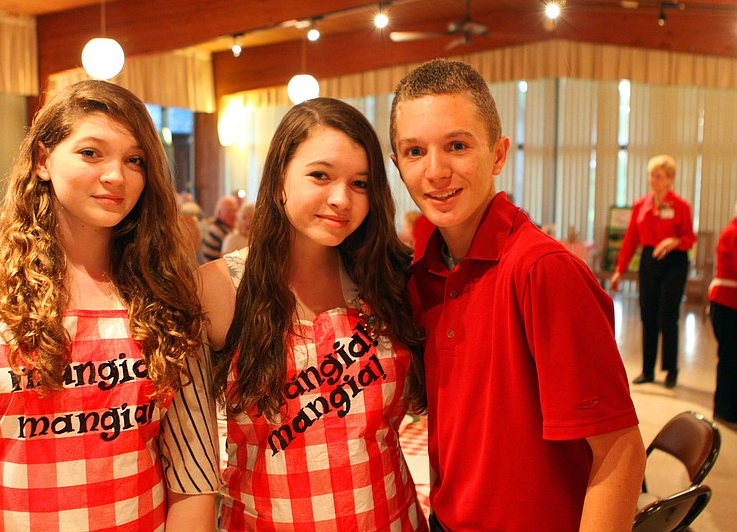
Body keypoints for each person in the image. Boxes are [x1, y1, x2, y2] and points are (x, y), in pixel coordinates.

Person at [0, 80, 219, 530]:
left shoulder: (163, 293)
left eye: (134, 160)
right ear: (43, 160)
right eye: (91, 152)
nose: (116, 176)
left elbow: (193, 479)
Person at [389, 59, 645, 531]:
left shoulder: (541, 271)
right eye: (414, 151)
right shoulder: (423, 275)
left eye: (458, 146)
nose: (436, 170)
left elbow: (620, 451)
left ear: (498, 154)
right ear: (397, 166)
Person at [198, 97, 428, 530]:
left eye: (360, 184)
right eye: (320, 175)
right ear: (280, 175)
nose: (341, 199)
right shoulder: (220, 287)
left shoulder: (390, 280)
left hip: (389, 516)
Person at [609, 154, 697, 389]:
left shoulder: (681, 206)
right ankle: (647, 370)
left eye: (658, 176)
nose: (653, 180)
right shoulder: (641, 205)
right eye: (651, 175)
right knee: (648, 315)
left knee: (667, 316)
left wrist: (674, 241)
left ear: (670, 179)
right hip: (650, 260)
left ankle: (671, 370)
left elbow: (690, 237)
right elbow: (630, 240)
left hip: (674, 262)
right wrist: (620, 270)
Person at [709, 200, 737, 425]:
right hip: (728, 303)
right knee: (730, 358)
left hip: (729, 302)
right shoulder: (732, 232)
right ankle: (725, 411)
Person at [198, 195, 238, 264]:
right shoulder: (217, 231)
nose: (234, 215)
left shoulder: (228, 228)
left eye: (235, 211)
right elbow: (212, 262)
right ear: (219, 213)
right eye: (230, 211)